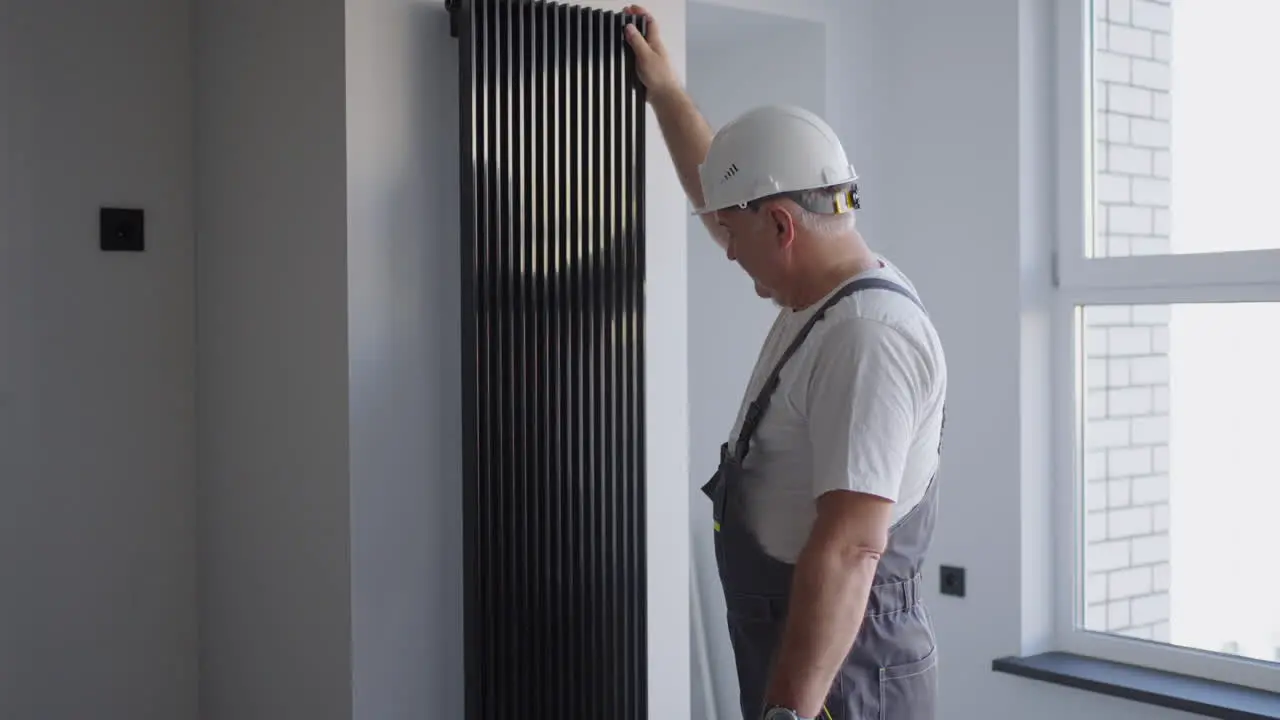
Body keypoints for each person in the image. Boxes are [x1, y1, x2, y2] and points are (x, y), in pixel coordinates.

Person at [622, 7, 949, 720]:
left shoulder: (867, 336)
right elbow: (724, 203)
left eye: (734, 233)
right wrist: (667, 91)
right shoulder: (820, 295)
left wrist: (791, 714)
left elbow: (852, 546)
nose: (727, 249)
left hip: (847, 679)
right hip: (798, 644)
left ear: (781, 224)